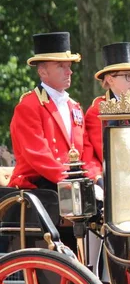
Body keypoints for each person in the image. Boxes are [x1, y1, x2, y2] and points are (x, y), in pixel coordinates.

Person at [8, 32, 95, 189]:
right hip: (39, 186)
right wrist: (72, 182)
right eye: (61, 66)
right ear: (43, 72)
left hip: (72, 182)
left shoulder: (74, 106)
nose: (69, 72)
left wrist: (94, 179)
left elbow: (86, 150)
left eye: (69, 66)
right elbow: (37, 155)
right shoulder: (29, 106)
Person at [83, 42, 130, 183]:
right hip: (118, 179)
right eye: (128, 76)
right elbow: (107, 153)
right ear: (110, 79)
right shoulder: (98, 110)